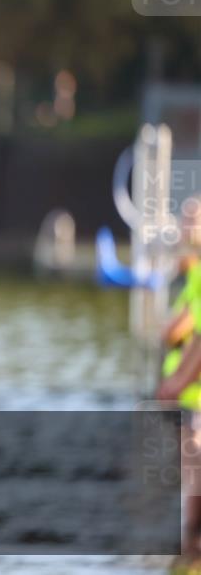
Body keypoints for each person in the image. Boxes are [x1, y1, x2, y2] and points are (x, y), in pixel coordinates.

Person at [157, 195, 201, 564]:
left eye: (194, 219)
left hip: (193, 394)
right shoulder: (189, 271)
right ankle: (188, 546)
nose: (187, 225)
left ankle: (191, 542)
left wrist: (177, 383)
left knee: (194, 462)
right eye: (185, 218)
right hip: (187, 393)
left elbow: (190, 332)